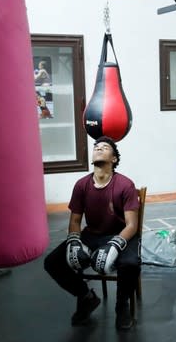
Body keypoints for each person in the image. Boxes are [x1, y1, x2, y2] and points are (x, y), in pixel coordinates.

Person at [44, 136, 141, 330]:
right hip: (93, 235)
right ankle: (85, 296)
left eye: (105, 147)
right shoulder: (82, 185)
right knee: (52, 262)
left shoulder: (125, 185)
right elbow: (75, 220)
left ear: (114, 159)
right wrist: (73, 240)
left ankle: (121, 305)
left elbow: (132, 225)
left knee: (130, 264)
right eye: (96, 147)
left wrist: (115, 244)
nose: (98, 148)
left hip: (120, 234)